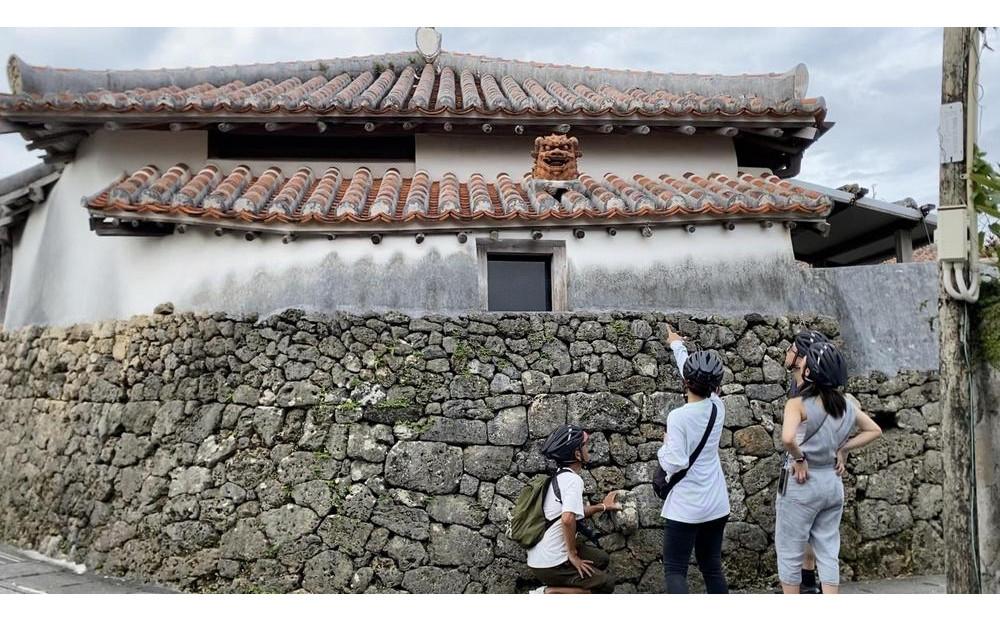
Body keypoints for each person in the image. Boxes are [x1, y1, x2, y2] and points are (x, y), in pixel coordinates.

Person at [775, 341, 882, 594]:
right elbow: (874, 430)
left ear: (809, 371)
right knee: (828, 550)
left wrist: (799, 459)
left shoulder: (797, 404)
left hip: (802, 484)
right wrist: (843, 449)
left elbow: (788, 438)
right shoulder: (845, 404)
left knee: (790, 551)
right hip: (832, 484)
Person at [658, 326, 730, 594]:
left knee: (675, 569)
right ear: (716, 386)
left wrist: (664, 446)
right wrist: (678, 347)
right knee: (711, 566)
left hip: (686, 506)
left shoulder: (678, 417)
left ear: (686, 383)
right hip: (716, 503)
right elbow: (694, 377)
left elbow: (674, 463)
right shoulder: (717, 407)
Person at [527, 424, 622, 594]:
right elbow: (567, 519)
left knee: (601, 559)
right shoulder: (573, 481)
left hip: (539, 558)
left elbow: (573, 512)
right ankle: (547, 593)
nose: (588, 449)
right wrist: (573, 555)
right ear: (577, 454)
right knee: (606, 584)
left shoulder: (558, 477)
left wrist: (603, 506)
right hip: (551, 563)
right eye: (585, 445)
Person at [782, 329, 830, 593]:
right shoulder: (802, 385)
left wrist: (799, 457)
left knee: (797, 533)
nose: (787, 352)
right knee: (810, 532)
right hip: (814, 467)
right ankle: (809, 584)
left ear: (801, 358)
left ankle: (803, 587)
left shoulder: (808, 391)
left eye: (791, 348)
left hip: (803, 467)